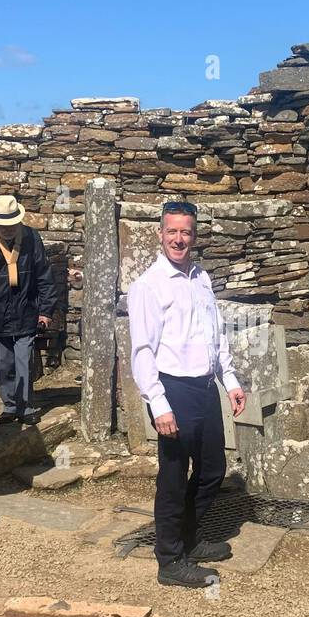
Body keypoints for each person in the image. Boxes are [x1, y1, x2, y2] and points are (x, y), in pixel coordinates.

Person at [128, 200, 247, 588]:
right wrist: (158, 404)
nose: (179, 239)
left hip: (203, 387)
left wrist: (229, 381)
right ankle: (170, 560)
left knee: (213, 469)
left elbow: (216, 335)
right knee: (174, 478)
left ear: (194, 236)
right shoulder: (147, 286)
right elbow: (142, 350)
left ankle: (190, 538)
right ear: (160, 233)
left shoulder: (201, 278)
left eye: (186, 232)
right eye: (172, 231)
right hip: (172, 389)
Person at [0, 194, 57, 425]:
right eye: (3, 225)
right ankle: (9, 406)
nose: (8, 229)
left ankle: (26, 407)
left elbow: (45, 276)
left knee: (24, 362)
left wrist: (46, 312)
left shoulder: (31, 238)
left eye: (11, 225)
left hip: (27, 310)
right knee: (3, 364)